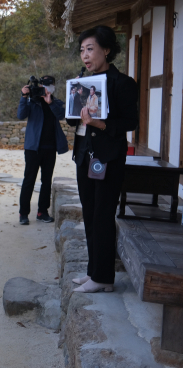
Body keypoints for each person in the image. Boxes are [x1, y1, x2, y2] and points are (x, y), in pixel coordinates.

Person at [68, 26, 138, 293]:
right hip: (85, 155)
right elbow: (74, 120)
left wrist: (101, 124)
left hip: (109, 157)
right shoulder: (82, 82)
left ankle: (104, 277)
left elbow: (131, 122)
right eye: (82, 50)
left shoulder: (123, 83)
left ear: (106, 50)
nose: (85, 56)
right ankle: (94, 272)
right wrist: (72, 107)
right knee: (89, 213)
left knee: (103, 215)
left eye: (90, 49)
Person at [17, 75, 68, 225]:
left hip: (50, 148)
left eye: (49, 84)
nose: (46, 87)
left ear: (53, 86)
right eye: (44, 84)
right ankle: (23, 213)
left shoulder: (56, 102)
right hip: (33, 148)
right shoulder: (32, 101)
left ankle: (42, 212)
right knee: (29, 180)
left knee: (46, 181)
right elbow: (21, 115)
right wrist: (24, 96)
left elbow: (61, 115)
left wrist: (50, 102)